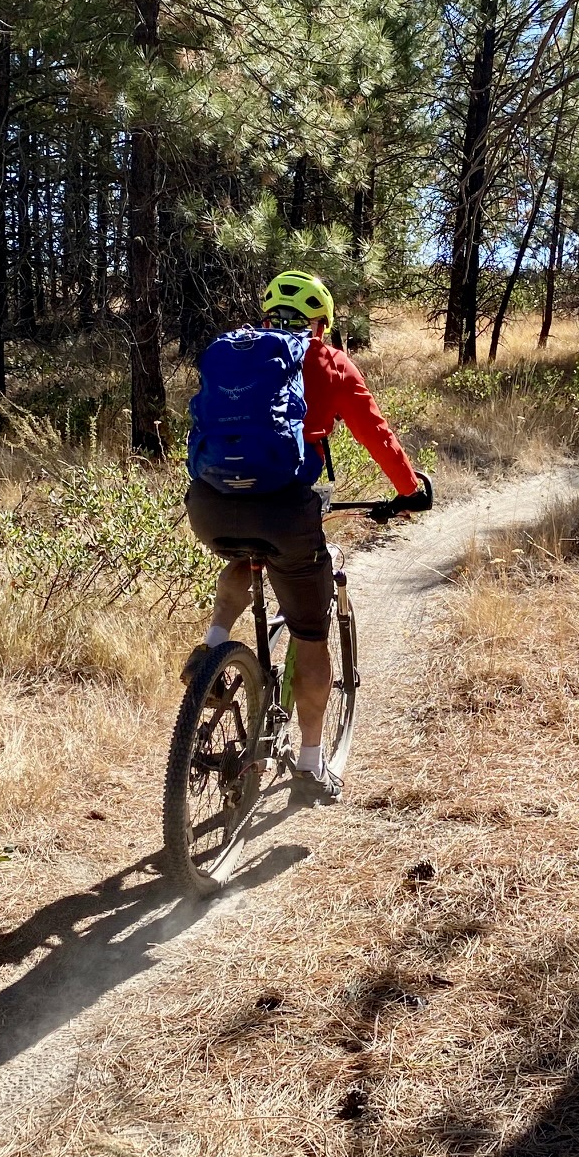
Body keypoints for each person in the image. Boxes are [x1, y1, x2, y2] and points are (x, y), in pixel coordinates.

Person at [182, 269, 431, 798]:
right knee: (311, 633)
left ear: (267, 316)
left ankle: (214, 644)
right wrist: (409, 490)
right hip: (286, 512)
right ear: (323, 322)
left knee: (243, 556)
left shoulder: (237, 355)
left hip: (209, 503)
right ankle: (313, 762)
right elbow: (375, 432)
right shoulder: (329, 361)